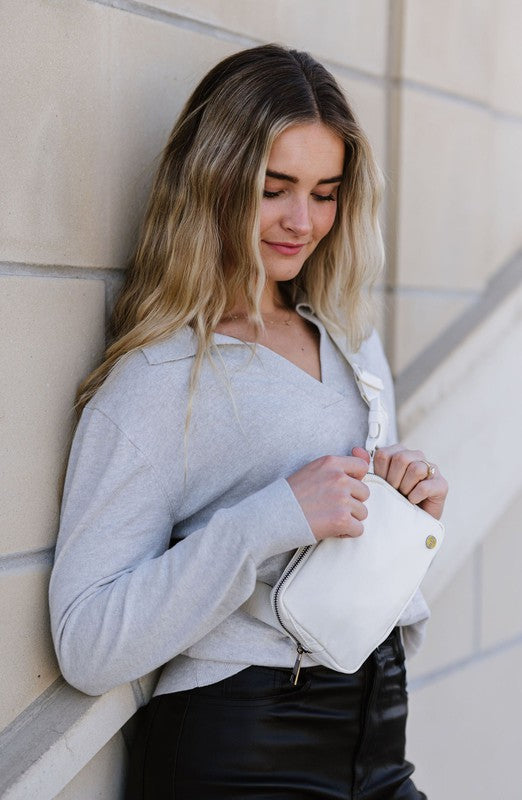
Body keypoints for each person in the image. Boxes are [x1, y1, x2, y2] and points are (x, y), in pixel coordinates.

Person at [49, 44, 448, 799]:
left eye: (325, 193)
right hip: (244, 747)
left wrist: (401, 504)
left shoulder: (348, 337)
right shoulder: (159, 378)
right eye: (275, 189)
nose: (303, 221)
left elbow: (345, 541)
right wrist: (270, 518)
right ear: (216, 181)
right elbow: (88, 642)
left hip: (377, 721)